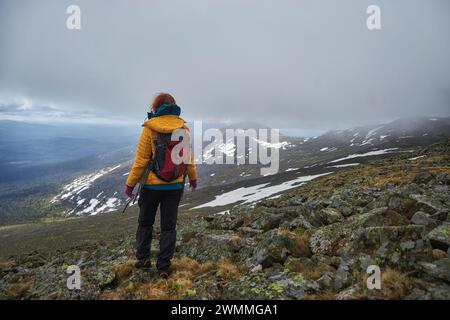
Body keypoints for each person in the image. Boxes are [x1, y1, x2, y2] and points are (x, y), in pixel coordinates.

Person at [124, 93, 197, 278]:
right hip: (174, 187)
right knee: (168, 227)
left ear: (156, 107)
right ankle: (164, 266)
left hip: (151, 187)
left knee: (145, 223)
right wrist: (193, 179)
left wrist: (130, 184)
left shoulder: (150, 128)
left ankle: (143, 260)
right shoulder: (184, 129)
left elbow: (141, 161)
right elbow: (188, 160)